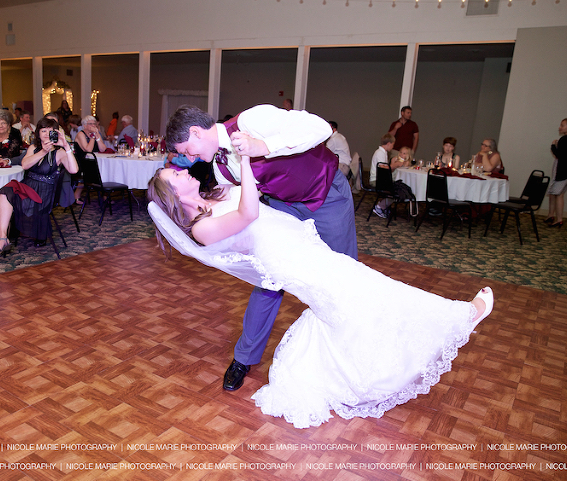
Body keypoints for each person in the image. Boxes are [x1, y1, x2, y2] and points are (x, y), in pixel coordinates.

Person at [147, 153, 493, 427]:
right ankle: (459, 316)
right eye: (174, 176)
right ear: (173, 195)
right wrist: (248, 162)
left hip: (300, 249)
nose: (181, 171)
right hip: (290, 261)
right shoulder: (202, 229)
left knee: (353, 300)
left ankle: (366, 368)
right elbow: (249, 211)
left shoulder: (214, 194)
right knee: (369, 289)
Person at [165, 104, 357, 392]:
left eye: (188, 150)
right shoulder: (218, 168)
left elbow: (320, 128)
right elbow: (240, 195)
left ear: (195, 132)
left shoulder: (251, 120)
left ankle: (348, 352)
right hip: (283, 209)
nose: (189, 158)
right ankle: (244, 358)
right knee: (269, 279)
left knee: (345, 277)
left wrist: (264, 145)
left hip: (327, 196)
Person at [0, 117, 78, 256]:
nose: (47, 133)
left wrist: (66, 146)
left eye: (51, 130)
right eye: (43, 130)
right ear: (38, 133)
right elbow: (25, 165)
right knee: (4, 193)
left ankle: (3, 239)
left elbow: (73, 170)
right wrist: (43, 152)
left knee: (3, 199)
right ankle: (2, 238)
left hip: (44, 193)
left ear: (57, 132)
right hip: (27, 186)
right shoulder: (33, 148)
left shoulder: (59, 152)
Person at [72, 115, 107, 204]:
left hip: (94, 161)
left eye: (94, 124)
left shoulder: (95, 133)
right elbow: (88, 150)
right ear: (84, 125)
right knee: (97, 171)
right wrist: (92, 137)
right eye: (90, 124)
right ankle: (77, 196)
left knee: (105, 170)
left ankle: (105, 195)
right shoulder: (81, 134)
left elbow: (103, 149)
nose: (93, 126)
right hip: (82, 162)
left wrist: (97, 136)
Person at [370, 133, 396, 218]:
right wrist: (395, 165)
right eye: (392, 145)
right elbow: (383, 168)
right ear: (388, 144)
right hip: (376, 180)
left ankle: (383, 206)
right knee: (395, 191)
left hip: (379, 179)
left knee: (396, 188)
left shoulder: (383, 152)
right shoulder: (380, 153)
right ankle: (379, 207)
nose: (393, 147)